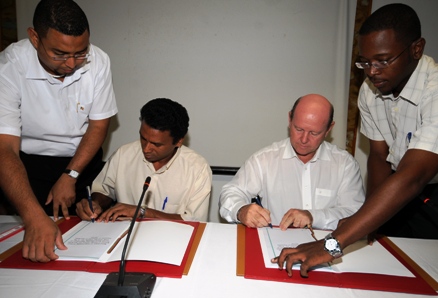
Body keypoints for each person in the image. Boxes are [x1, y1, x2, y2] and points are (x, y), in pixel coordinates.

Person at [274, 3, 438, 278]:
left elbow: (413, 176)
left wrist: (332, 243)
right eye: (365, 61)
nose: (371, 71)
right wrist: (367, 222)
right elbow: (379, 156)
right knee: (388, 272)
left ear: (417, 48)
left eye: (382, 60)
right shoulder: (371, 91)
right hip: (396, 191)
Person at [0, 0, 117, 262]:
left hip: (82, 162)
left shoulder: (98, 60)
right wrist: (32, 216)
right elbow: (4, 149)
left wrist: (71, 174)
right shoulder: (9, 66)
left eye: (80, 52)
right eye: (60, 54)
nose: (72, 63)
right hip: (28, 168)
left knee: (87, 246)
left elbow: (99, 124)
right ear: (34, 37)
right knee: (34, 246)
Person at [219, 94, 365, 230]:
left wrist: (314, 216)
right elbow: (231, 192)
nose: (304, 139)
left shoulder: (345, 165)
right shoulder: (265, 159)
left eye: (314, 133)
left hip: (328, 247)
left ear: (329, 129)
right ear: (289, 119)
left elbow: (356, 213)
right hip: (277, 245)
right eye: (298, 129)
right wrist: (241, 210)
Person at [76, 98, 212, 222]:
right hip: (123, 236)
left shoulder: (197, 168)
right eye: (143, 138)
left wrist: (143, 212)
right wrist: (95, 204)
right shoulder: (124, 154)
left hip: (173, 241)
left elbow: (194, 221)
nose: (146, 149)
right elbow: (104, 191)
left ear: (178, 141)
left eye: (157, 144)